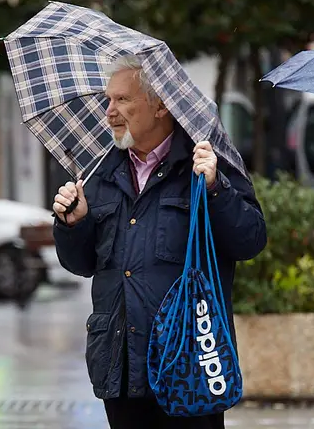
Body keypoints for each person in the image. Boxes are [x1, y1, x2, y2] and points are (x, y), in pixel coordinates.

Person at [51, 55, 267, 429]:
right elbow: (82, 264)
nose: (109, 112)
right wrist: (74, 224)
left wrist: (216, 189)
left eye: (122, 100)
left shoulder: (204, 164)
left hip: (188, 363)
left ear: (161, 105)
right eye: (108, 100)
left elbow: (250, 240)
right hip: (120, 368)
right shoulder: (101, 173)